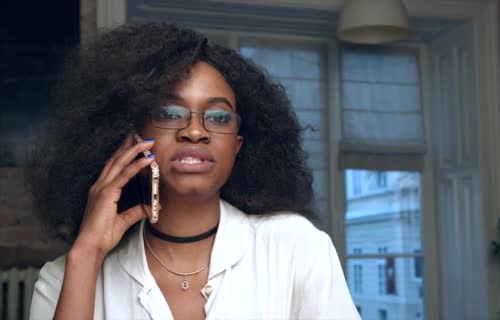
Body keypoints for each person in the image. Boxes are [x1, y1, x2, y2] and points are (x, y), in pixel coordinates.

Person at [27, 22, 360, 320]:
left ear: (237, 146)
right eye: (170, 113)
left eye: (217, 116)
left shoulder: (295, 247)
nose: (195, 131)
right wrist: (86, 254)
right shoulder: (65, 278)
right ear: (131, 138)